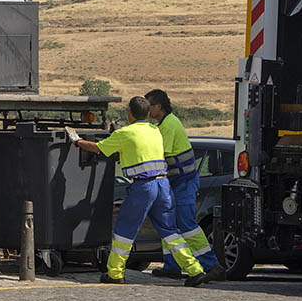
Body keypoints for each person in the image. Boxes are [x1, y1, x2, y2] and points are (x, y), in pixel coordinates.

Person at [73, 96, 207, 286]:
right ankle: (195, 270)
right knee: (170, 230)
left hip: (143, 187)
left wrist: (78, 141)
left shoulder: (125, 133)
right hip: (163, 185)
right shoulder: (155, 130)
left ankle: (115, 272)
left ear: (129, 113)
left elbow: (98, 149)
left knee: (125, 230)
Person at [144, 88, 225, 281]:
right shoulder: (167, 123)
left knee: (187, 225)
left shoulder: (168, 126)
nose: (147, 110)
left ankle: (212, 266)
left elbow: (159, 154)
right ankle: (171, 266)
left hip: (183, 183)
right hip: (177, 183)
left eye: (149, 106)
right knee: (170, 224)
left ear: (158, 107)